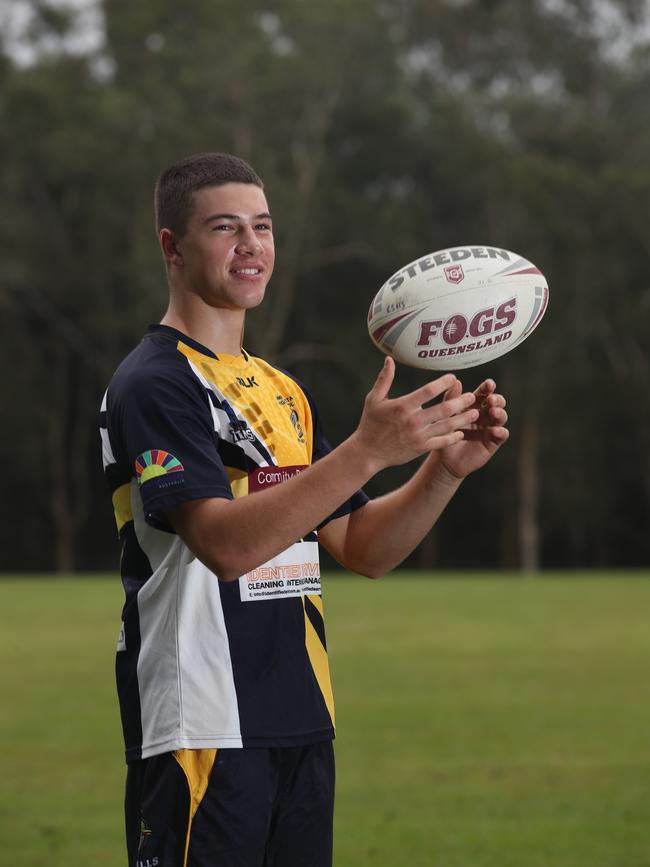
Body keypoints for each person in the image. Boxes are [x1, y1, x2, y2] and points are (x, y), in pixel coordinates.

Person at [100, 152, 508, 867]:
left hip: (300, 721)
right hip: (202, 723)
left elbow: (360, 547)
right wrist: (366, 450)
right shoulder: (154, 384)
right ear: (172, 246)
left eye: (262, 226)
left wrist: (444, 469)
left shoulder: (281, 390)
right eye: (226, 228)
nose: (251, 246)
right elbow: (223, 546)